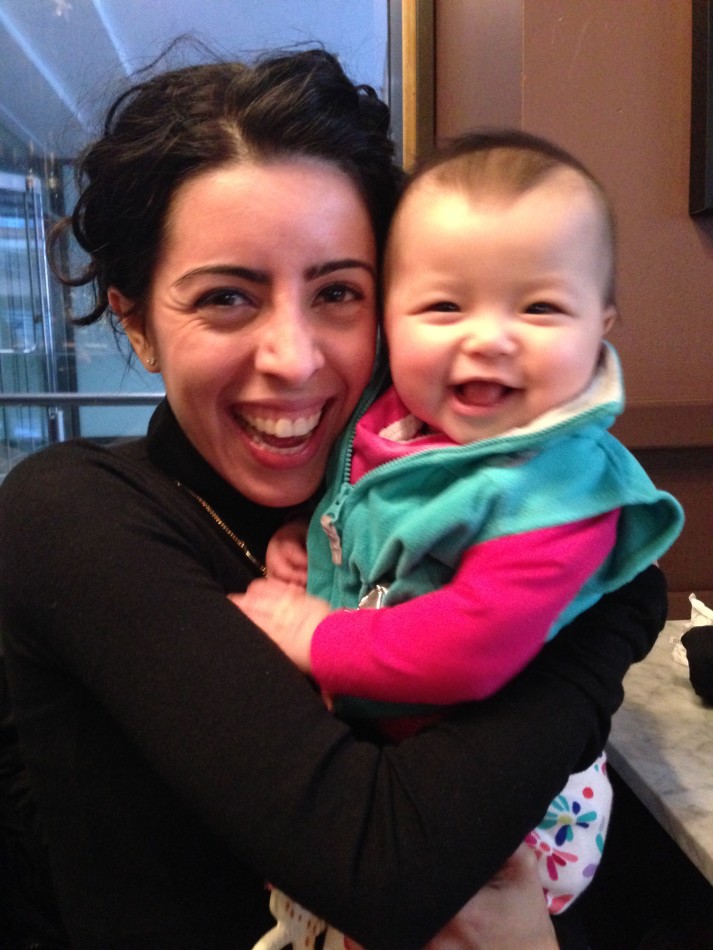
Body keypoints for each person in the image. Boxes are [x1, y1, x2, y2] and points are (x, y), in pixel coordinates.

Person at [0, 50, 668, 950]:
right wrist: (605, 629)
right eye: (227, 297)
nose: (295, 358)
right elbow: (383, 866)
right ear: (137, 323)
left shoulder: (409, 488)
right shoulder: (74, 515)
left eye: (338, 293)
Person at [233, 130, 684, 942]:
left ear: (601, 323)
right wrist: (315, 541)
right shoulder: (400, 421)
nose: (488, 337)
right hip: (389, 767)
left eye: (539, 307)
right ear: (388, 318)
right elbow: (378, 520)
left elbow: (474, 643)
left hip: (516, 820)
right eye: (444, 306)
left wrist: (315, 632)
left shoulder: (560, 486)